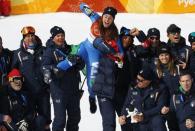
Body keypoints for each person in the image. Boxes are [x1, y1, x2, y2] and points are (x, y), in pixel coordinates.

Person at [57, 3, 124, 114]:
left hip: (95, 55)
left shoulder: (114, 34)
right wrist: (84, 7)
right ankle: (58, 69)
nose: (107, 20)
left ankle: (92, 97)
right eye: (106, 17)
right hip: (84, 46)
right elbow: (82, 6)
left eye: (110, 18)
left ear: (113, 20)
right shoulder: (96, 18)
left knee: (92, 80)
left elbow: (120, 52)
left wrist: (119, 59)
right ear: (102, 16)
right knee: (74, 59)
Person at [42, 26, 84, 131]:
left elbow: (81, 66)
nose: (60, 38)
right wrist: (54, 69)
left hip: (73, 90)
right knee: (60, 120)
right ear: (53, 38)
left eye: (62, 35)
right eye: (58, 36)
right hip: (59, 90)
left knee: (75, 118)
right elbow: (44, 66)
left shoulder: (70, 49)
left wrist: (79, 61)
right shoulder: (49, 51)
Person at [11, 26, 51, 131]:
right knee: (29, 120)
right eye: (27, 36)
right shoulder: (17, 54)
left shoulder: (44, 51)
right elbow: (12, 73)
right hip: (27, 94)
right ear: (23, 38)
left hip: (43, 93)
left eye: (32, 36)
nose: (30, 38)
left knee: (46, 121)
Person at [154, 45, 180, 131]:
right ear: (158, 57)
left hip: (180, 100)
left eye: (166, 54)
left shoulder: (177, 67)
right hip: (167, 103)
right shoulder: (157, 70)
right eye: (161, 55)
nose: (164, 57)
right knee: (172, 125)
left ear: (170, 55)